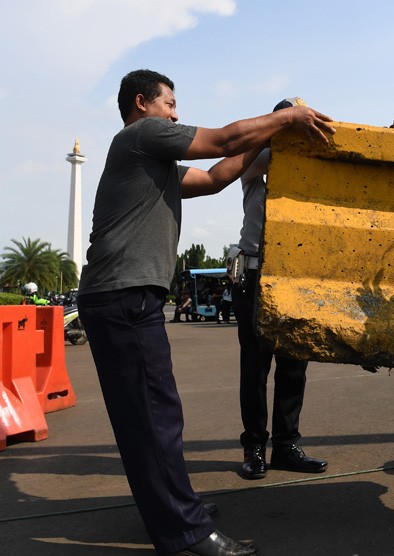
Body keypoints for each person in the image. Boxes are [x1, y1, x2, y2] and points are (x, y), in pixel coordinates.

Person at [76, 69, 334, 556]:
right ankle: (185, 532)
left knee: (154, 415)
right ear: (142, 103)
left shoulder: (153, 163)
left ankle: (175, 508)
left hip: (128, 297)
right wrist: (288, 117)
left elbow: (219, 176)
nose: (176, 113)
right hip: (123, 296)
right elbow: (223, 140)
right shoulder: (141, 135)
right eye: (170, 103)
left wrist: (273, 139)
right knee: (154, 417)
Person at [231, 97, 328, 481]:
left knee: (293, 365)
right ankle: (254, 446)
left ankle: (286, 446)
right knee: (255, 367)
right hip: (256, 274)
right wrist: (287, 126)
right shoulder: (256, 167)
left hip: (295, 276)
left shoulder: (308, 176)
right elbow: (269, 154)